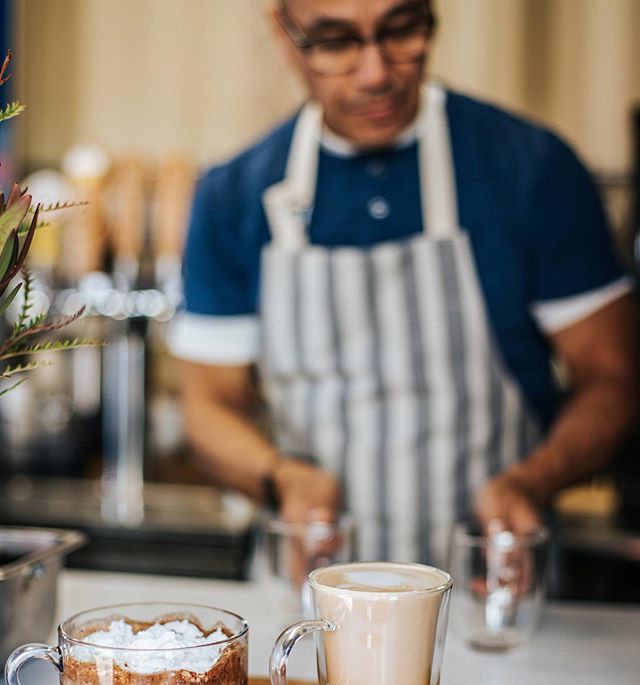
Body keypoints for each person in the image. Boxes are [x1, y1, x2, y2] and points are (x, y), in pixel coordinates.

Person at [168, 0, 637, 566]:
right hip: (311, 596)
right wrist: (281, 479)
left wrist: (531, 484)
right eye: (336, 41)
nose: (377, 73)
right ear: (283, 33)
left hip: (491, 588)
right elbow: (209, 406)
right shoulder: (232, 194)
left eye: (402, 30)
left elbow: (613, 380)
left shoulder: (531, 168)